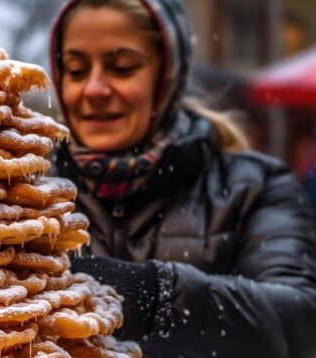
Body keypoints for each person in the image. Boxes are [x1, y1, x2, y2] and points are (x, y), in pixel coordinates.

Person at [49, 0, 316, 357]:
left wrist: (156, 294)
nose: (94, 89)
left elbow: (300, 322)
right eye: (77, 71)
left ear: (167, 75)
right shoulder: (31, 197)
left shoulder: (255, 187)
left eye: (122, 67)